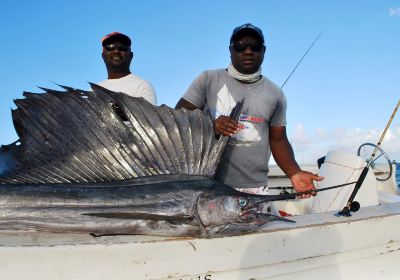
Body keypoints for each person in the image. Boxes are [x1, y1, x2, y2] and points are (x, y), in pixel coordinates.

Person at [176, 23, 323, 198]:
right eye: (240, 46)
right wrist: (211, 126)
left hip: (255, 189)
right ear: (230, 50)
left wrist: (295, 172)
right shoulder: (208, 79)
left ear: (264, 50)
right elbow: (178, 120)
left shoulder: (276, 94)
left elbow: (278, 140)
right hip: (208, 185)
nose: (248, 51)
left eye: (255, 46)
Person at [98, 32, 157, 105]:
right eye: (110, 47)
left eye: (122, 47)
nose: (116, 51)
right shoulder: (93, 91)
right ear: (103, 56)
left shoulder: (143, 86)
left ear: (131, 56)